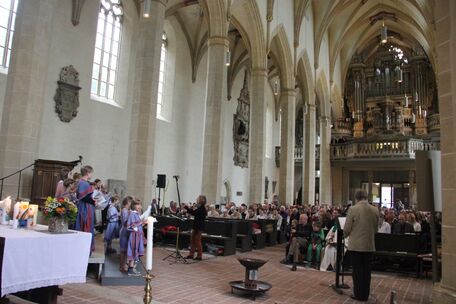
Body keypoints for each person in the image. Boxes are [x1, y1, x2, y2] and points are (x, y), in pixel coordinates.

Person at [344, 189, 379, 302]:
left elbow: (347, 228)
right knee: (367, 271)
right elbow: (376, 228)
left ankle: (358, 294)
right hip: (369, 244)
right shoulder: (375, 209)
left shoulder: (353, 209)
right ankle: (365, 294)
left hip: (356, 245)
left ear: (356, 198)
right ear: (366, 197)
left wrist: (345, 235)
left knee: (357, 271)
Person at [75, 165, 96, 254]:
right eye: (91, 173)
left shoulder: (81, 182)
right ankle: (84, 249)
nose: (91, 175)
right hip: (85, 208)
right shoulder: (84, 183)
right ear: (87, 173)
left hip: (84, 207)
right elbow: (83, 197)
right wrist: (94, 202)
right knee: (84, 226)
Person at [184, 195, 207, 260]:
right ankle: (191, 254)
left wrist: (186, 207)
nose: (196, 199)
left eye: (198, 198)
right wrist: (187, 208)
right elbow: (194, 213)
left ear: (202, 200)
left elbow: (194, 213)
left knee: (197, 241)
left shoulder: (202, 208)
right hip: (196, 226)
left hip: (199, 227)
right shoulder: (199, 207)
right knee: (192, 241)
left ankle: (199, 256)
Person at [126, 200, 145, 276]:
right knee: (133, 250)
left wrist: (143, 223)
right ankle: (130, 270)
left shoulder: (136, 214)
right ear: (134, 206)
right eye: (138, 205)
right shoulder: (132, 214)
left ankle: (131, 268)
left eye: (140, 205)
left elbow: (138, 225)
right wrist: (141, 222)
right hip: (134, 235)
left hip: (137, 235)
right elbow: (130, 225)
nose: (140, 207)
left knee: (135, 250)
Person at [119, 196, 133, 272]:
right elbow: (125, 221)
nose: (131, 204)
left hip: (126, 230)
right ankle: (121, 266)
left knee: (125, 250)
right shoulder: (124, 210)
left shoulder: (127, 210)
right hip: (124, 230)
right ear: (127, 202)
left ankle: (124, 265)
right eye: (130, 202)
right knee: (123, 250)